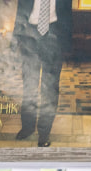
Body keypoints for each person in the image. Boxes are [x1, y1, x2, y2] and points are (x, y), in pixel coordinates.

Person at [12, 0, 73, 148]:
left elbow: (67, 15)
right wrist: (16, 39)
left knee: (50, 89)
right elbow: (20, 10)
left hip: (53, 35)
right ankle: (27, 127)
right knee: (29, 85)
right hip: (29, 35)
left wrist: (66, 46)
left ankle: (44, 133)